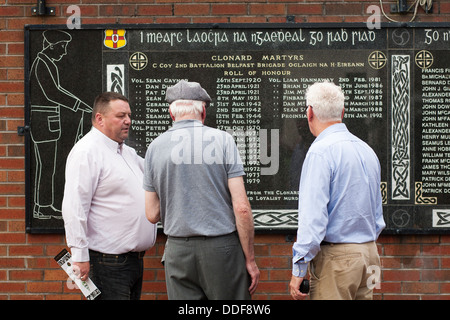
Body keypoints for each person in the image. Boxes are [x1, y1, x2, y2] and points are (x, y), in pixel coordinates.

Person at [143, 80, 260, 300]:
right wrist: (250, 260)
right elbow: (242, 208)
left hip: (177, 250)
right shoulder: (223, 140)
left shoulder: (155, 147)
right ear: (203, 111)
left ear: (171, 112)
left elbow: (151, 214)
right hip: (221, 249)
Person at [289, 81, 385, 300]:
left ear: (310, 112)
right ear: (342, 112)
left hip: (338, 259)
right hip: (370, 256)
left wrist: (299, 269)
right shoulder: (366, 150)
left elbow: (313, 218)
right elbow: (377, 214)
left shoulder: (319, 152)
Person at [62, 92, 157, 300]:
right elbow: (74, 206)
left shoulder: (127, 153)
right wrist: (79, 256)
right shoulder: (86, 152)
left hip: (133, 262)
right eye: (121, 115)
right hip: (106, 264)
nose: (128, 121)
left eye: (129, 115)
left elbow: (157, 175)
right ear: (99, 119)